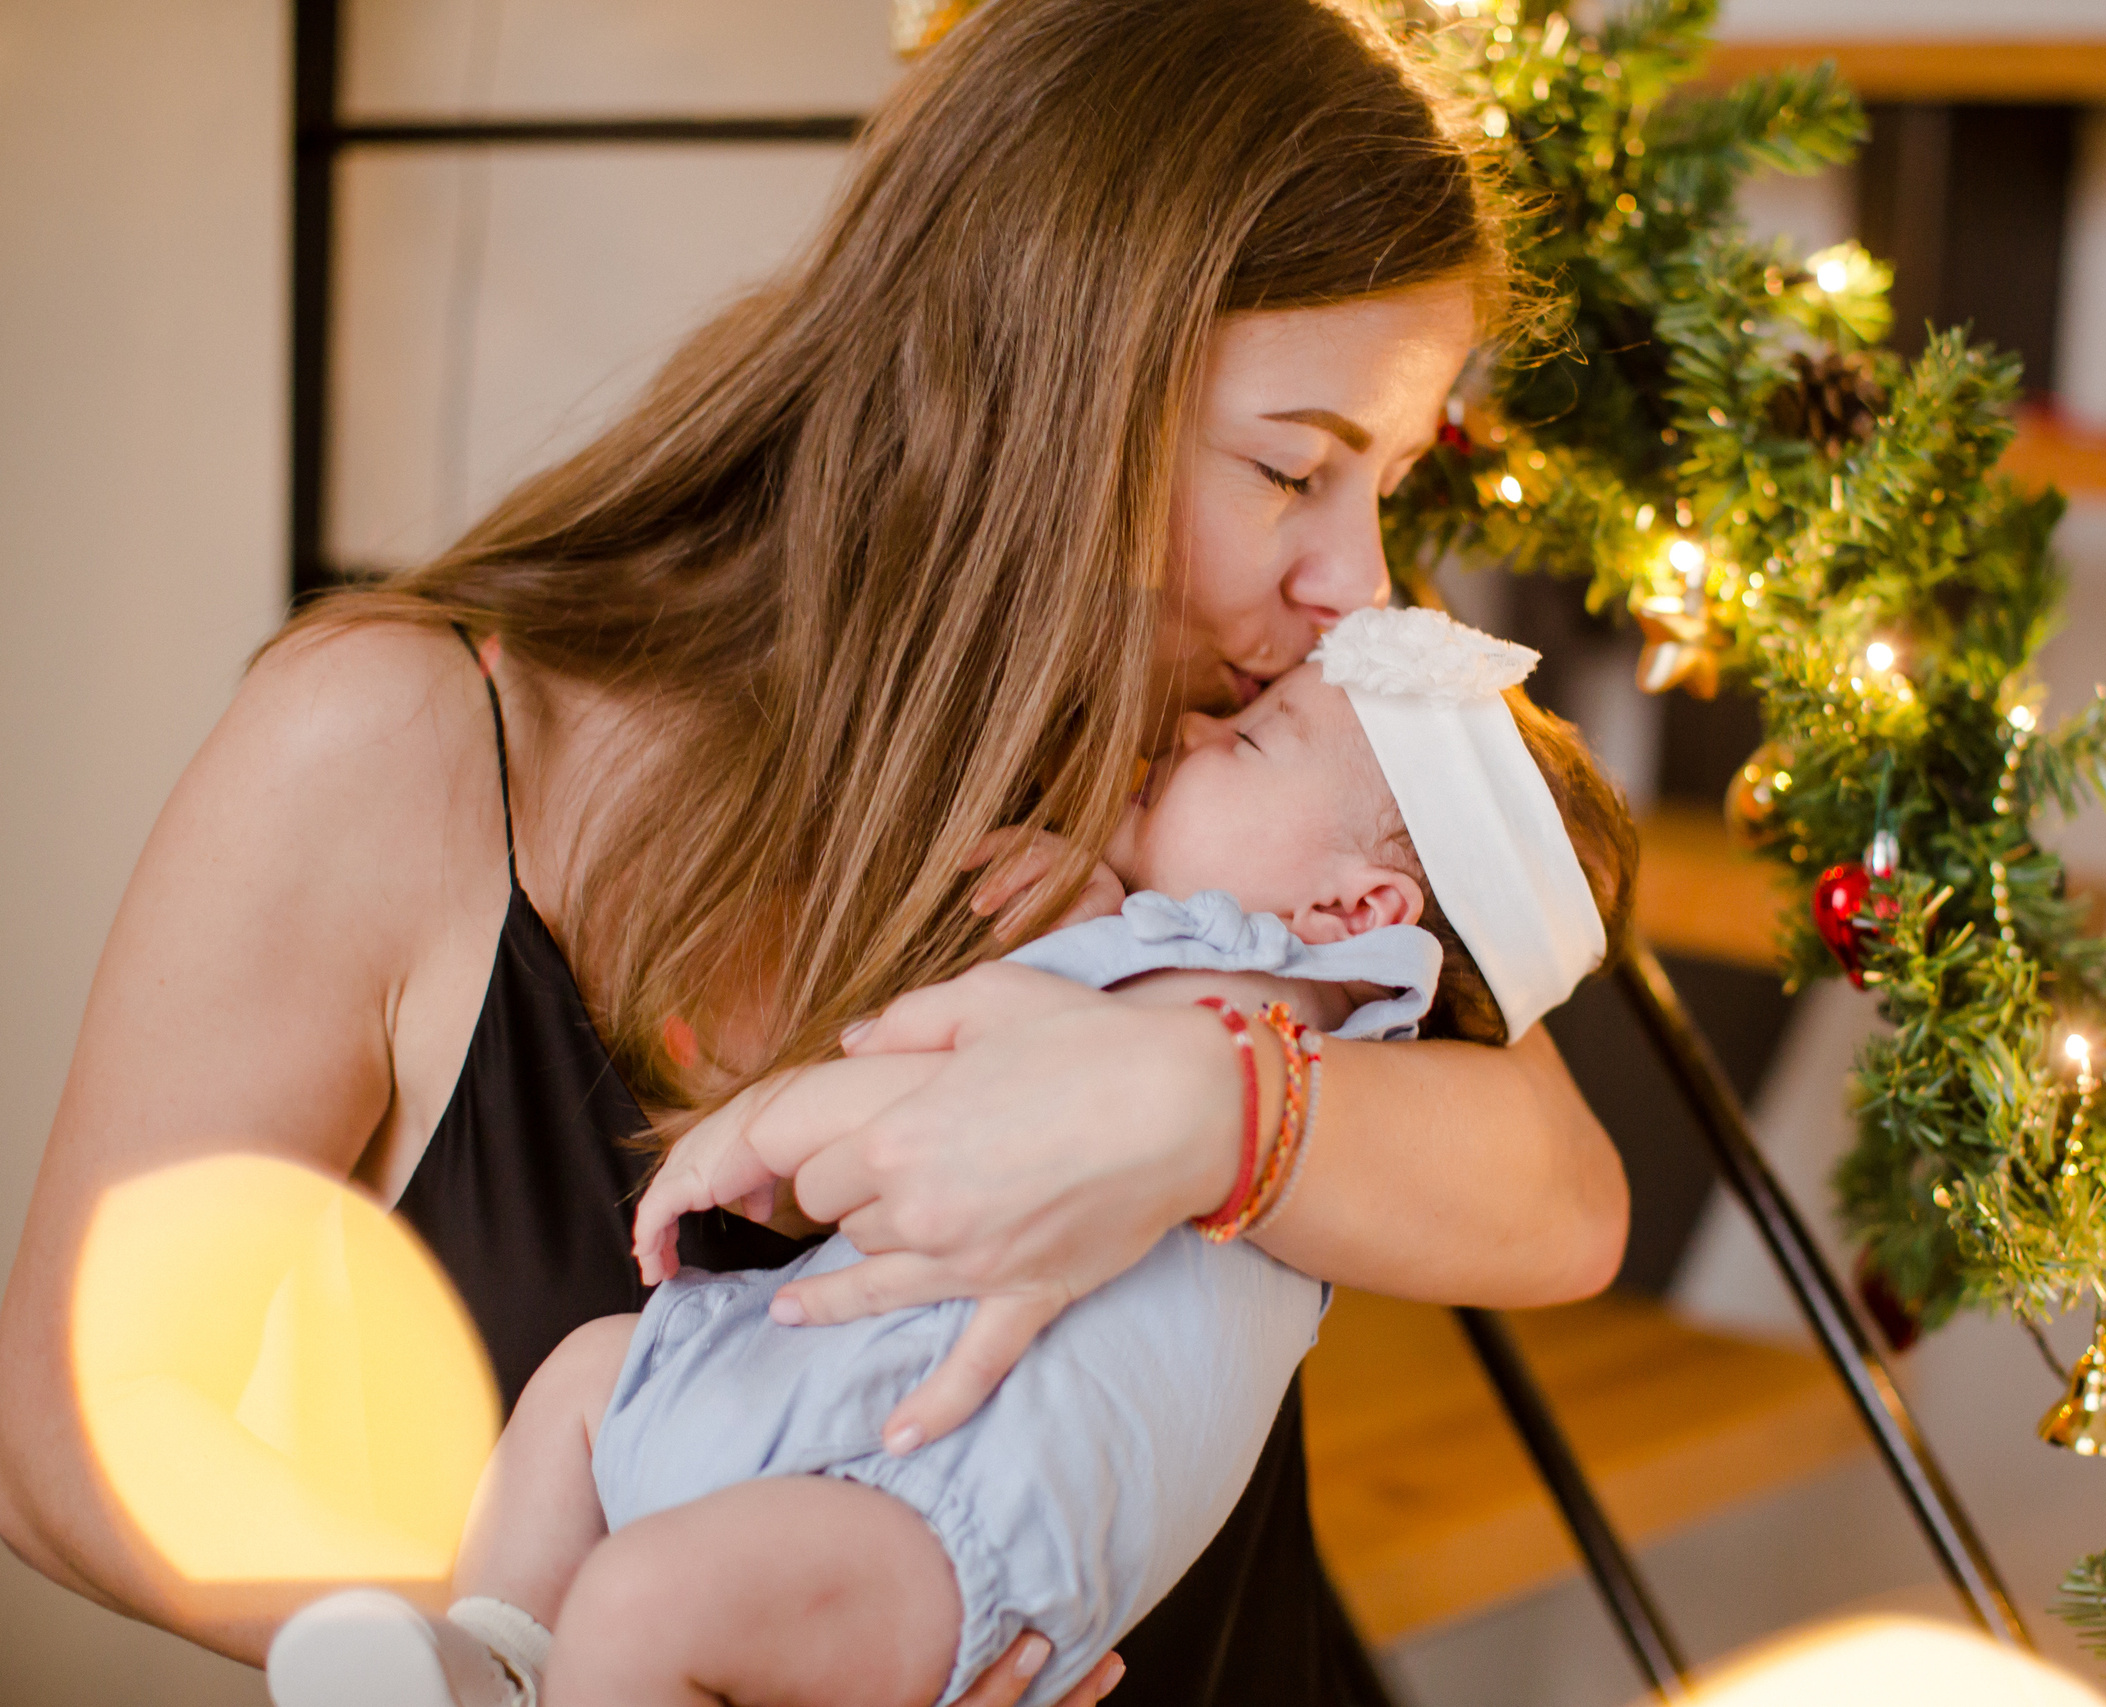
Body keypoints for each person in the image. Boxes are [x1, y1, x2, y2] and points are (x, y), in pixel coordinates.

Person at [0, 3, 1631, 1702]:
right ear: (1038, 387)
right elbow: (73, 1423)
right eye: (1295, 468)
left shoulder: (1237, 733)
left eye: (1382, 484)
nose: (1358, 583)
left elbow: (1564, 1197)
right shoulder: (406, 750)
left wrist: (1198, 1107)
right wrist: (614, 1649)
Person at [263, 608, 1640, 1707]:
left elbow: (935, 1082)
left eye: (1254, 744)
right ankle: (499, 1659)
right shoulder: (1183, 964)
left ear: (1356, 908)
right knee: (582, 1384)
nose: (1194, 731)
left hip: (945, 1514)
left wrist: (765, 1130)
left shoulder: (1270, 1001)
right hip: (839, 1407)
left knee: (641, 1608)